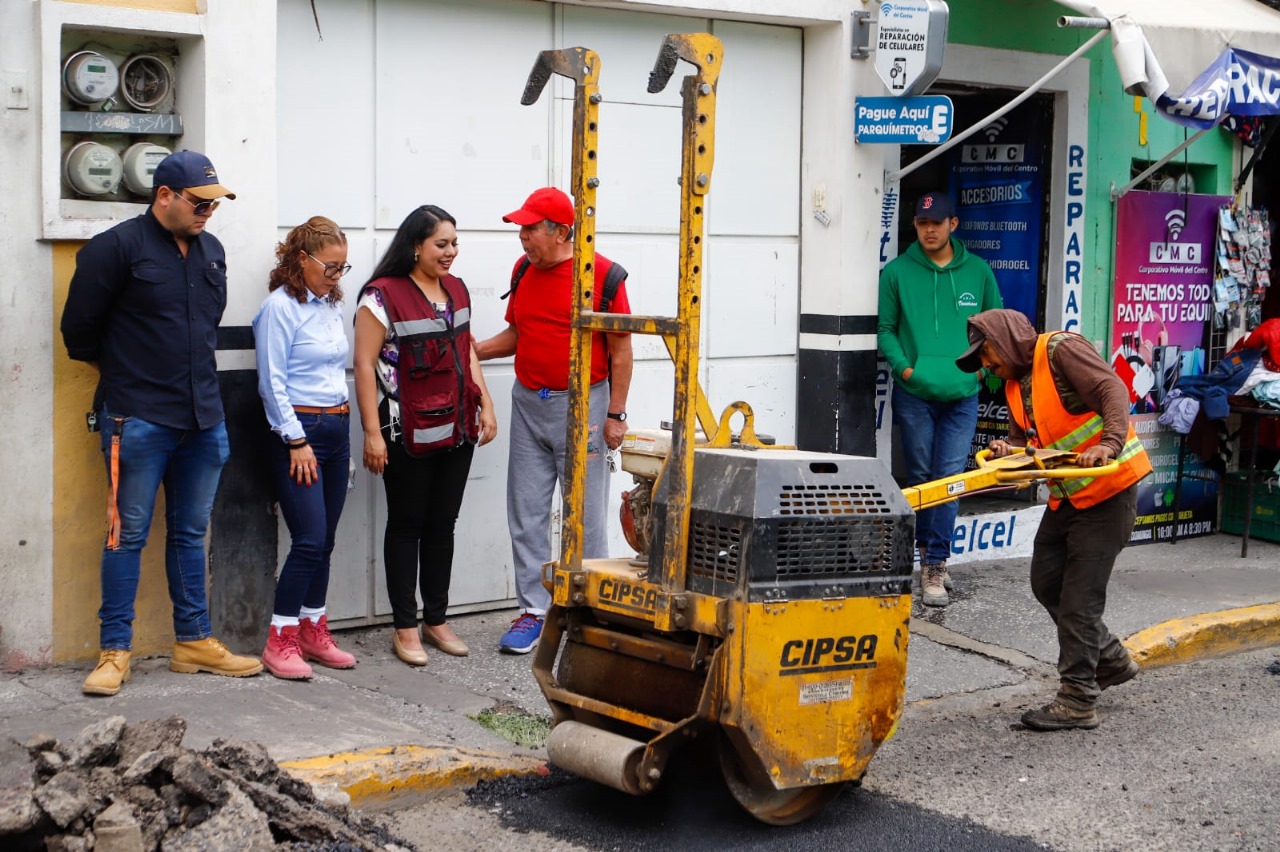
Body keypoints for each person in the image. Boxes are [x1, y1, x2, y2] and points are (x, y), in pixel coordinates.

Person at [60, 149, 262, 695]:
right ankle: (114, 651)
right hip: (138, 417)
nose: (207, 213)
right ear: (164, 196)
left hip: (204, 418)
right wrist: (129, 378)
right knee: (125, 535)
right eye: (198, 203)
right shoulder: (114, 249)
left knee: (191, 532)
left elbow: (205, 328)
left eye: (213, 205)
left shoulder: (211, 251)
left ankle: (193, 642)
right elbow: (79, 333)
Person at [957, 309, 1152, 731]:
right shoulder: (1013, 383)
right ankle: (1111, 660)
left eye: (987, 354)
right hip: (1068, 498)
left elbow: (1113, 390)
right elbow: (1025, 439)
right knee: (1047, 582)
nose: (987, 365)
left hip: (1108, 492)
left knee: (1080, 601)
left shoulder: (1062, 350)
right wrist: (1008, 450)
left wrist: (1110, 443)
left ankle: (1078, 699)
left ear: (1006, 339)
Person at [476, 187, 633, 654]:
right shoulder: (524, 270)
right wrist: (473, 350)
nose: (523, 238)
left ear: (561, 231)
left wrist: (616, 414)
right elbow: (519, 333)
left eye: (530, 229)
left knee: (583, 515)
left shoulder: (603, 276)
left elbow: (622, 351)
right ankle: (533, 611)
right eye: (521, 229)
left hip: (583, 407)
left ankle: (588, 613)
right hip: (529, 402)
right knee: (525, 511)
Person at [354, 205, 497, 667]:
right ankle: (404, 627)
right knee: (406, 526)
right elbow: (363, 366)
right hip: (404, 432)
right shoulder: (381, 296)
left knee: (443, 526)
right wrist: (373, 434)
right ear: (415, 245)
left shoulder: (455, 289)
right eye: (442, 244)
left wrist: (486, 403)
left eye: (455, 243)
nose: (451, 252)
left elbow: (466, 351)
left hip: (457, 429)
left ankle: (436, 619)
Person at [878, 191, 1003, 608]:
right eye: (921, 223)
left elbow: (996, 329)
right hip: (915, 394)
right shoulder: (897, 272)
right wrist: (905, 368)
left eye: (937, 222)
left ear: (953, 224)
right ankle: (924, 559)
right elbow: (886, 329)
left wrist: (982, 371)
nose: (929, 230)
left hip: (962, 396)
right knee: (921, 479)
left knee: (948, 480)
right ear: (914, 226)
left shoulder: (979, 272)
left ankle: (934, 563)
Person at [252, 216, 358, 680]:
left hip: (337, 428)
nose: (337, 276)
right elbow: (271, 382)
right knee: (309, 540)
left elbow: (336, 373)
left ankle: (315, 629)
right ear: (302, 259)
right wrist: (295, 439)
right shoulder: (280, 309)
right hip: (300, 433)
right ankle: (281, 640)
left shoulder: (328, 306)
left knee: (326, 541)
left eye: (342, 268)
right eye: (331, 267)